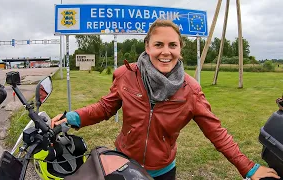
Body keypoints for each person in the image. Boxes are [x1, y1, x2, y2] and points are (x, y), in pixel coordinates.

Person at [51, 19, 280, 180]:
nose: (165, 52)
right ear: (147, 47)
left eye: (173, 45)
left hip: (162, 171)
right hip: (123, 164)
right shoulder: (126, 75)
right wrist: (73, 117)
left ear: (180, 49)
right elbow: (104, 107)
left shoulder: (190, 89)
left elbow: (216, 132)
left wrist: (248, 168)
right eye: (158, 44)